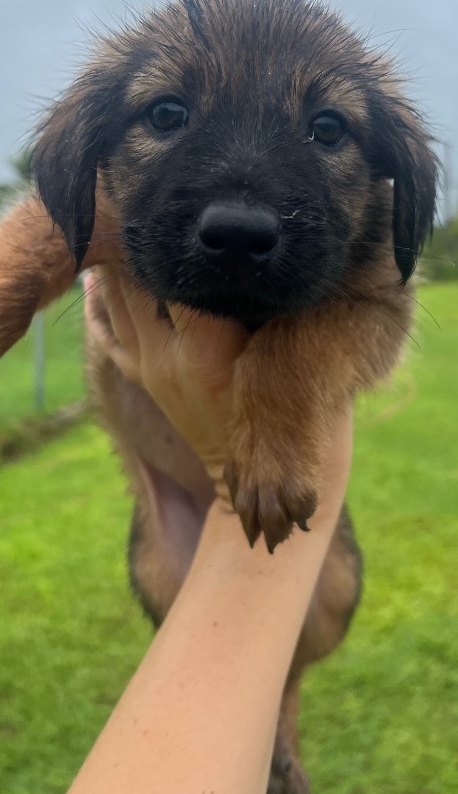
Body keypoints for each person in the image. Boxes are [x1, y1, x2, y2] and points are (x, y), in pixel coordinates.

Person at [67, 273, 354, 794]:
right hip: (189, 492)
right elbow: (42, 235)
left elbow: (380, 304)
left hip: (258, 474)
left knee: (310, 620)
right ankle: (273, 742)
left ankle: (277, 734)